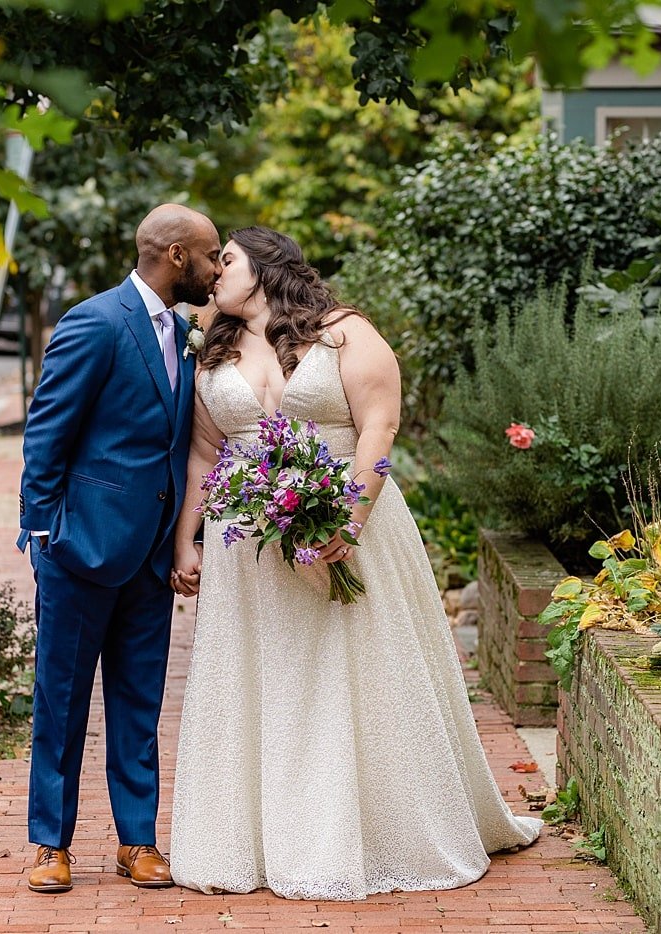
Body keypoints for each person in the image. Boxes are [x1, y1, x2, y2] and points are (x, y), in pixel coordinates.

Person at [167, 227, 542, 900]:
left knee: (356, 674)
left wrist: (349, 521)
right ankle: (266, 839)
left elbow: (379, 427)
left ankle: (372, 831)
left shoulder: (342, 333)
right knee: (267, 682)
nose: (214, 272)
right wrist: (184, 541)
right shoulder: (212, 347)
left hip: (347, 522)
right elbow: (203, 454)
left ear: (266, 267)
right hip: (248, 545)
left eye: (227, 260)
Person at [17, 204, 223, 894]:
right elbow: (46, 432)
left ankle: (137, 840)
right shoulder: (95, 322)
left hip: (151, 556)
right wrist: (43, 533)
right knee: (62, 702)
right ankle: (50, 843)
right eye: (209, 254)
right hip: (80, 549)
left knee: (140, 704)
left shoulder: (189, 334)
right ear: (175, 255)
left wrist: (182, 538)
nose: (215, 268)